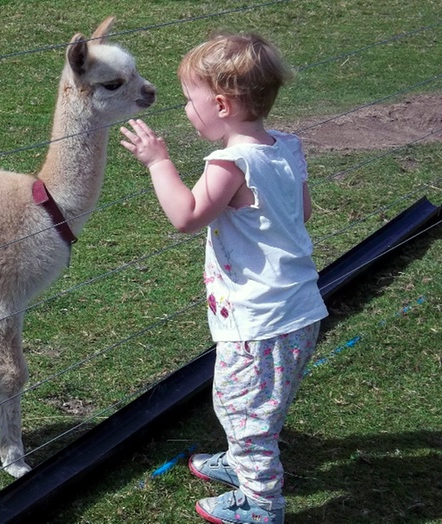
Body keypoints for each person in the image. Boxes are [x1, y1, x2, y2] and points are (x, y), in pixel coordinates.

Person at [120, 32, 328, 524]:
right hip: (296, 310)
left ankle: (261, 505)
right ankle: (239, 464)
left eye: (189, 100)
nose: (187, 110)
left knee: (244, 414)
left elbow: (187, 216)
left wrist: (159, 162)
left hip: (261, 321)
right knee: (253, 405)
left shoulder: (229, 162)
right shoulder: (285, 148)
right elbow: (304, 211)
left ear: (219, 104)